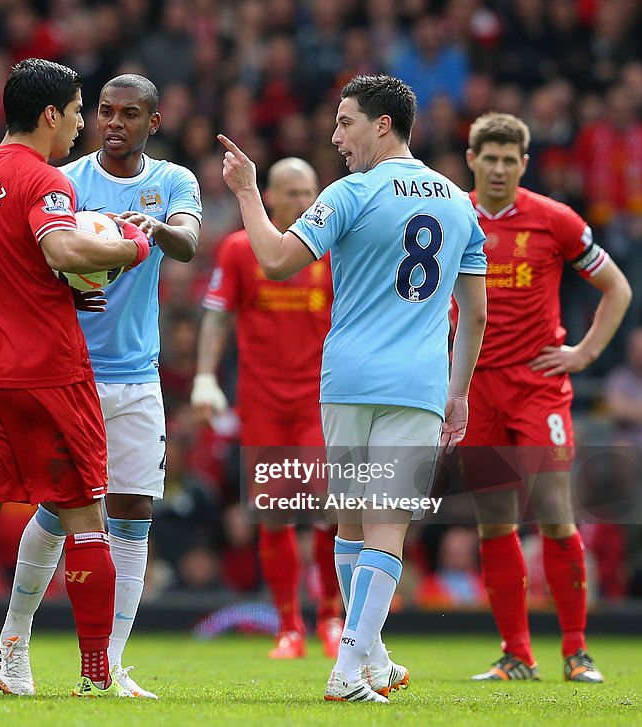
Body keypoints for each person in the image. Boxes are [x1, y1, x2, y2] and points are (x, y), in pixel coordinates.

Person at [219, 74, 488, 703]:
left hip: (345, 378)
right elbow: (473, 315)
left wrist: (248, 195)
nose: (337, 136)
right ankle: (357, 662)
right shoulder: (457, 202)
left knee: (351, 524)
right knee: (385, 526)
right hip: (418, 383)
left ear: (382, 124)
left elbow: (278, 261)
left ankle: (362, 661)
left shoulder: (351, 193)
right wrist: (460, 392)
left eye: (346, 123)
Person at [0, 58, 152, 701]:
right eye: (75, 113)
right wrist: (129, 245)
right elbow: (63, 250)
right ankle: (97, 676)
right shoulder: (46, 182)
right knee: (85, 518)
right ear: (50, 115)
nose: (79, 127)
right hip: (49, 371)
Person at [0, 73, 201, 699]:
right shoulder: (67, 181)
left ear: (153, 122)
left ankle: (109, 663)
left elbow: (189, 243)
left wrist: (150, 231)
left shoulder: (173, 183)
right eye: (105, 111)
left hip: (138, 375)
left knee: (134, 509)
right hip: (70, 371)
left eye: (130, 114)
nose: (114, 122)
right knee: (60, 508)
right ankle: (13, 640)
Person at [461, 112, 631, 683]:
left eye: (511, 159)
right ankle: (517, 654)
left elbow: (617, 288)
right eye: (491, 158)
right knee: (494, 522)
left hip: (539, 388)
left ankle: (576, 651)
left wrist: (583, 354)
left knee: (556, 514)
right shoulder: (452, 216)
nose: (501, 169)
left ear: (524, 164)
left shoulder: (555, 219)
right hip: (476, 388)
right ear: (472, 160)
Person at [191, 157, 344, 660]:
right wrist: (206, 376)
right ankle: (288, 627)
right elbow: (216, 316)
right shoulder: (241, 249)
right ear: (270, 197)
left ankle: (331, 618)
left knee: (327, 510)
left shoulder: (333, 250)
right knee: (275, 515)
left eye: (309, 193)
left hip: (320, 402)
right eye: (292, 193)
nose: (303, 202)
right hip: (263, 407)